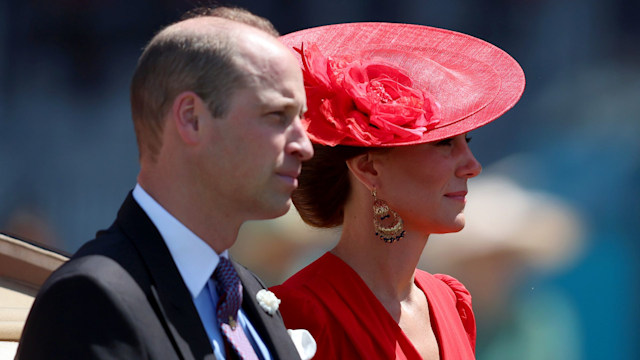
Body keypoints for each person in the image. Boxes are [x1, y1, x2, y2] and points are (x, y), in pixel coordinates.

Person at [16, 6, 314, 360]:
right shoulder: (91, 299)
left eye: (301, 118)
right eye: (276, 115)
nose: (305, 146)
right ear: (191, 119)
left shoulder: (247, 293)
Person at [270, 22, 525, 359]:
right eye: (445, 143)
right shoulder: (304, 312)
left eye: (468, 141)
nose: (472, 166)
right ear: (369, 168)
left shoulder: (450, 301)